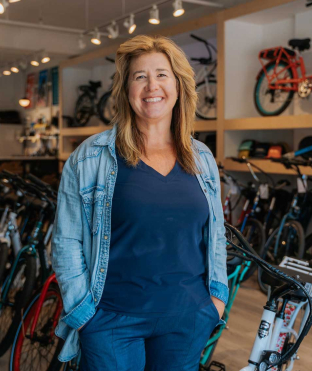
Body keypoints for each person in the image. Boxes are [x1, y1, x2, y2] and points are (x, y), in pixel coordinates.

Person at [52, 34, 228, 371]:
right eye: (140, 76)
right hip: (112, 321)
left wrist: (215, 302)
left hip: (187, 317)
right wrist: (84, 313)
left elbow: (216, 234)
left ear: (178, 86)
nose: (152, 86)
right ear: (125, 89)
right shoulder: (91, 157)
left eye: (162, 74)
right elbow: (67, 240)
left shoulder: (202, 157)